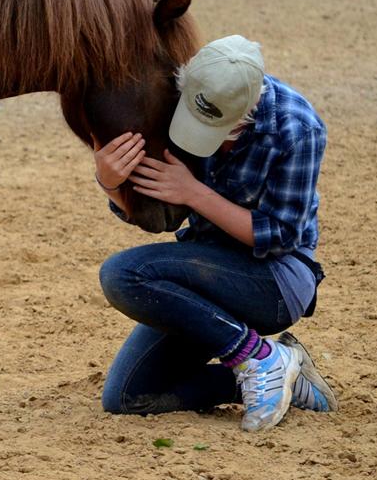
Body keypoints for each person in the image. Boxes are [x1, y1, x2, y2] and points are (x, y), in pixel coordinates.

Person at [93, 35, 337, 431]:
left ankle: (259, 358)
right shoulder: (182, 100)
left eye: (222, 129)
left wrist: (195, 193)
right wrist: (110, 183)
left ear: (251, 109)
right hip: (204, 273)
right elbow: (164, 217)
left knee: (123, 274)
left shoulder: (298, 128)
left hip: (274, 279)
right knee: (127, 397)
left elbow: (280, 236)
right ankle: (286, 377)